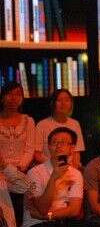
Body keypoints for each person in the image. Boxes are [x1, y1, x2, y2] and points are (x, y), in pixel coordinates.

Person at [22, 127, 85, 227]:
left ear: (72, 148)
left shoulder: (76, 174)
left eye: (63, 142)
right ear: (49, 147)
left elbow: (74, 210)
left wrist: (48, 216)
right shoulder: (35, 173)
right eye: (54, 142)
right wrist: (54, 177)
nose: (58, 146)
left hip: (60, 221)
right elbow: (42, 209)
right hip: (37, 223)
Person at [0, 81, 36, 226]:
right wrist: (4, 168)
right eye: (9, 94)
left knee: (23, 200)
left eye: (18, 94)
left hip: (21, 172)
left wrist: (19, 168)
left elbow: (30, 148)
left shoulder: (28, 121)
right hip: (0, 171)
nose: (13, 98)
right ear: (2, 96)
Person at [34, 90, 85, 169]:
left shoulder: (75, 124)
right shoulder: (42, 125)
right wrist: (55, 165)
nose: (63, 103)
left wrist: (73, 168)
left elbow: (76, 152)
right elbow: (37, 154)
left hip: (70, 168)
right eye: (59, 100)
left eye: (67, 100)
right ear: (53, 103)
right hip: (48, 168)